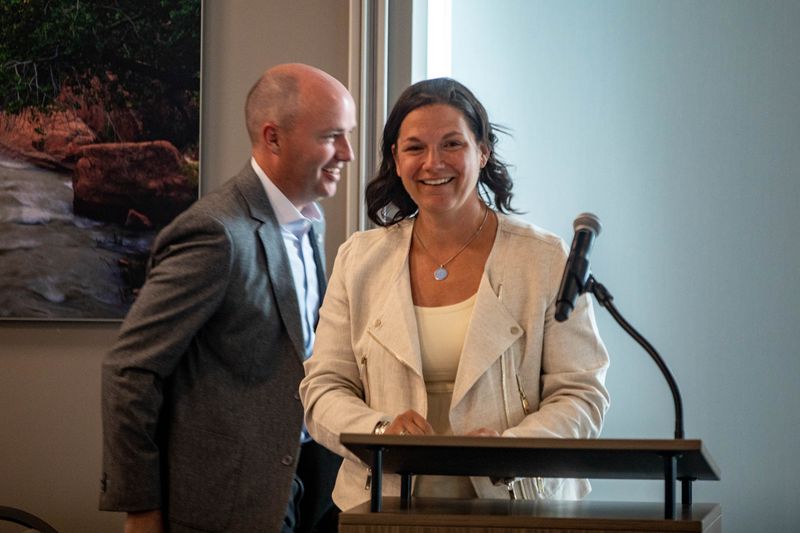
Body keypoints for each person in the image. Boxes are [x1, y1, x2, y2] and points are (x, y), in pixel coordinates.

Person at [300, 77, 610, 512]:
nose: (433, 163)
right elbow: (323, 389)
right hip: (381, 510)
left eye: (451, 145)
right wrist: (382, 431)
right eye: (414, 148)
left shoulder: (543, 257)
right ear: (396, 158)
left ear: (482, 152)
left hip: (516, 506)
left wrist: (511, 447)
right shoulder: (359, 259)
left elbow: (581, 393)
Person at [100, 63, 356, 532]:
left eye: (348, 136)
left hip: (310, 487)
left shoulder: (310, 225)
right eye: (332, 137)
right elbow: (130, 369)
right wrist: (141, 508)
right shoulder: (214, 233)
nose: (348, 153)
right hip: (228, 503)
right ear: (273, 137)